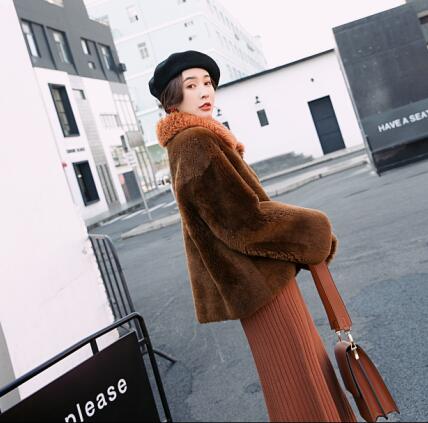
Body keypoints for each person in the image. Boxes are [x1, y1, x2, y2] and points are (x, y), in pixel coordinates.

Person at [148, 50, 357, 422]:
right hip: (258, 282)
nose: (204, 91)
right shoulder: (195, 141)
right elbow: (241, 222)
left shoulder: (193, 139)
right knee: (300, 375)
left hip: (255, 281)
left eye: (207, 83)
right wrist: (315, 231)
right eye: (191, 85)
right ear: (172, 98)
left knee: (295, 376)